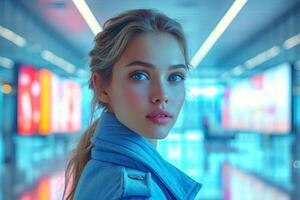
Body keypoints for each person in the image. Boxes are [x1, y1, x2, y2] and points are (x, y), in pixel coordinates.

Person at [63, 9, 202, 200]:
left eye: (175, 77)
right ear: (102, 86)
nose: (161, 95)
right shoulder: (133, 193)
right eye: (139, 76)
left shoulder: (104, 167)